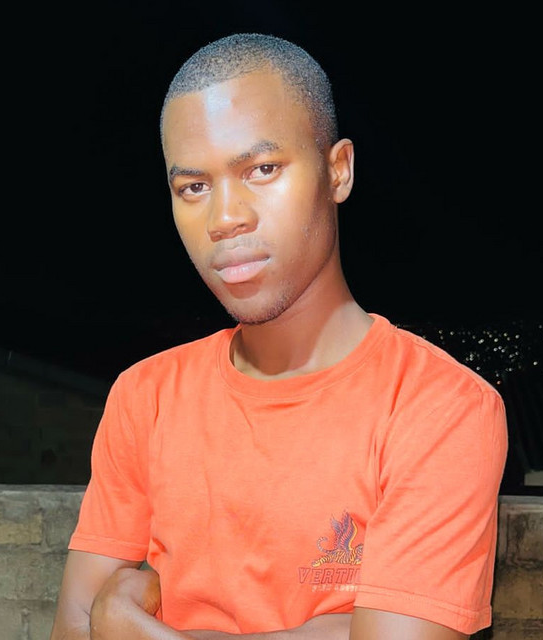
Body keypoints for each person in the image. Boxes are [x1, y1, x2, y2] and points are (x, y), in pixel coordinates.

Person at [50, 32, 508, 640]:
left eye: (262, 170)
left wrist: (129, 626)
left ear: (338, 170)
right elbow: (72, 629)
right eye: (194, 187)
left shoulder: (438, 406)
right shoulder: (146, 397)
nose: (225, 218)